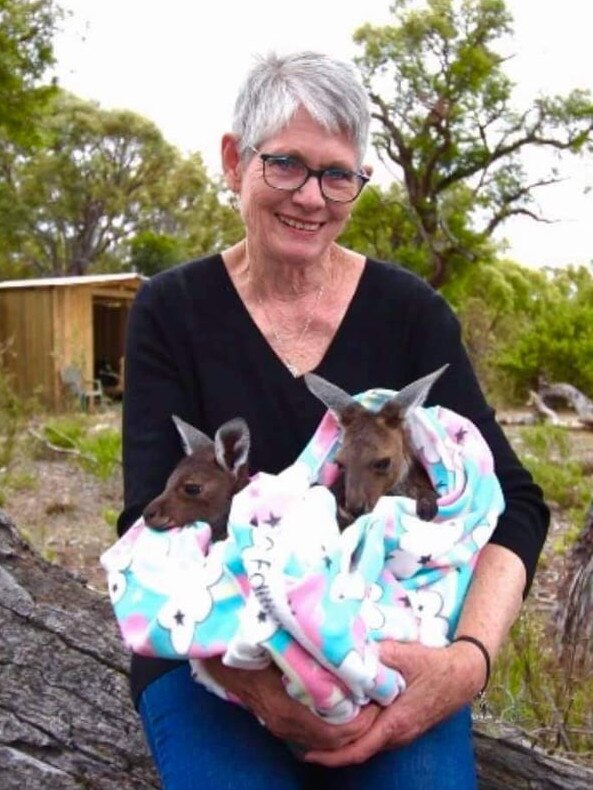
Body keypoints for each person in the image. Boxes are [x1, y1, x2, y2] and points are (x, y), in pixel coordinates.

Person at [117, 51, 549, 790]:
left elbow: (514, 505)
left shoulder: (408, 313)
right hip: (216, 647)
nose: (311, 197)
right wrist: (265, 688)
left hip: (386, 640)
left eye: (337, 174)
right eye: (285, 164)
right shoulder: (172, 310)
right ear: (233, 160)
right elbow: (150, 520)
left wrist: (463, 663)